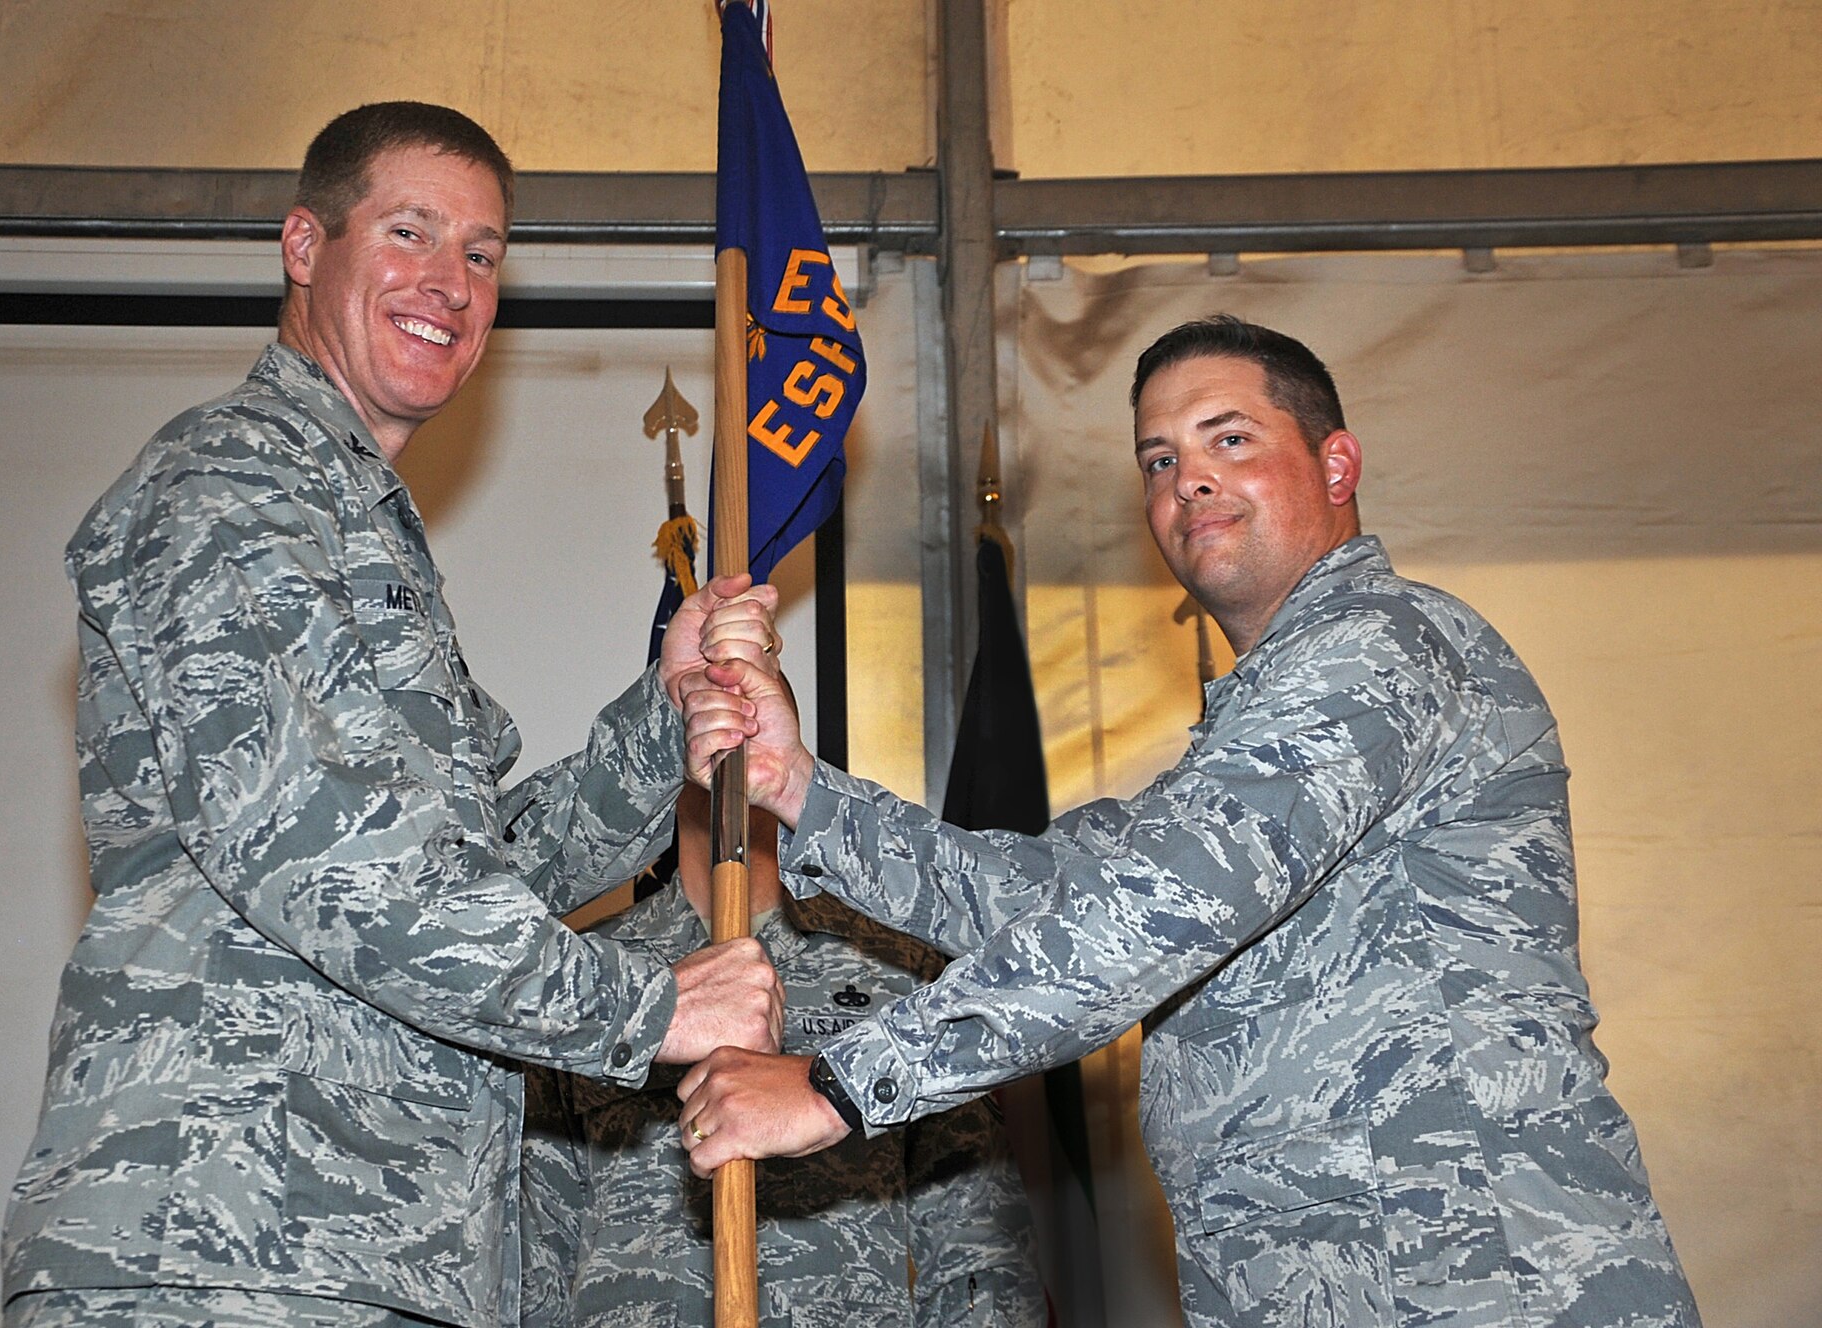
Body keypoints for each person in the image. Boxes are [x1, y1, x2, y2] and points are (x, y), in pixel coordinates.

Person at [677, 316, 1701, 1327]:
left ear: (1334, 463)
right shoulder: (1247, 739)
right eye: (1158, 458)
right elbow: (1055, 897)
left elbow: (1153, 909)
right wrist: (799, 786)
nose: (1186, 479)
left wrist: (837, 1085)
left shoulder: (1382, 649)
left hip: (1482, 1282)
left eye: (1229, 438)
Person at [2, 102, 784, 1328]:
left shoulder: (362, 523)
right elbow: (335, 862)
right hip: (226, 1244)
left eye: (481, 254)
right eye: (409, 231)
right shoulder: (230, 483)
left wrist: (665, 714)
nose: (450, 283)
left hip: (375, 1251)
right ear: (304, 246)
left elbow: (477, 872)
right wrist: (652, 1009)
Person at [519, 743, 1044, 1328]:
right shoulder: (586, 976)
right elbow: (534, 1254)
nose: (729, 746)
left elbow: (976, 1246)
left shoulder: (896, 969)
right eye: (706, 712)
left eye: (750, 716)